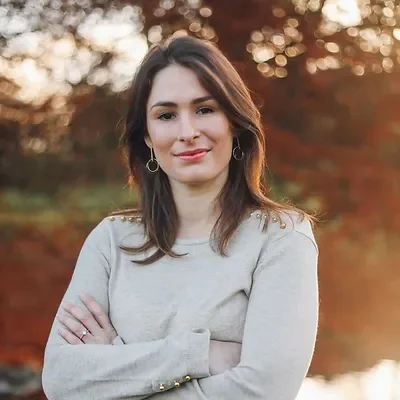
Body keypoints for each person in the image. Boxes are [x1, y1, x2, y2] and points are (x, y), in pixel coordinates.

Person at [42, 35, 319, 400]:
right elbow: (61, 380)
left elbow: (262, 391)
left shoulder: (282, 237)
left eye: (205, 109)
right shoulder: (111, 240)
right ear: (147, 137)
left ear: (234, 123)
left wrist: (115, 363)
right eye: (166, 115)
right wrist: (197, 355)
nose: (188, 132)